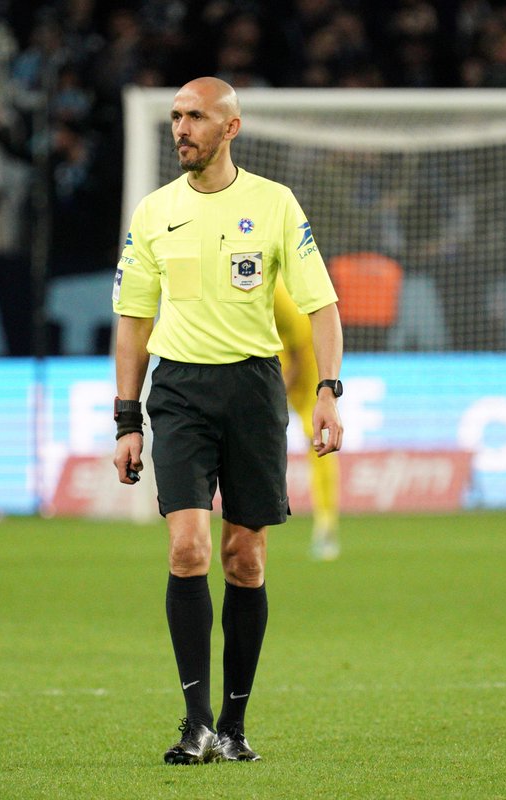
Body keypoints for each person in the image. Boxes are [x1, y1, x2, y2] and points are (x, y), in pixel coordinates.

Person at [110, 76, 344, 765]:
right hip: (178, 391)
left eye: (195, 117)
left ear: (229, 128)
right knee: (188, 548)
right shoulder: (154, 212)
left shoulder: (273, 205)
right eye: (176, 116)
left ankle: (236, 729)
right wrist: (126, 419)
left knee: (245, 557)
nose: (180, 127)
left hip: (252, 390)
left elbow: (321, 305)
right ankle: (195, 724)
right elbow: (133, 321)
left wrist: (328, 389)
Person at [274, 276, 341, 560]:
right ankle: (238, 526)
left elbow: (301, 336)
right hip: (268, 351)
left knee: (317, 440)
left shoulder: (269, 286)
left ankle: (325, 526)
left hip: (303, 358)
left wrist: (287, 382)